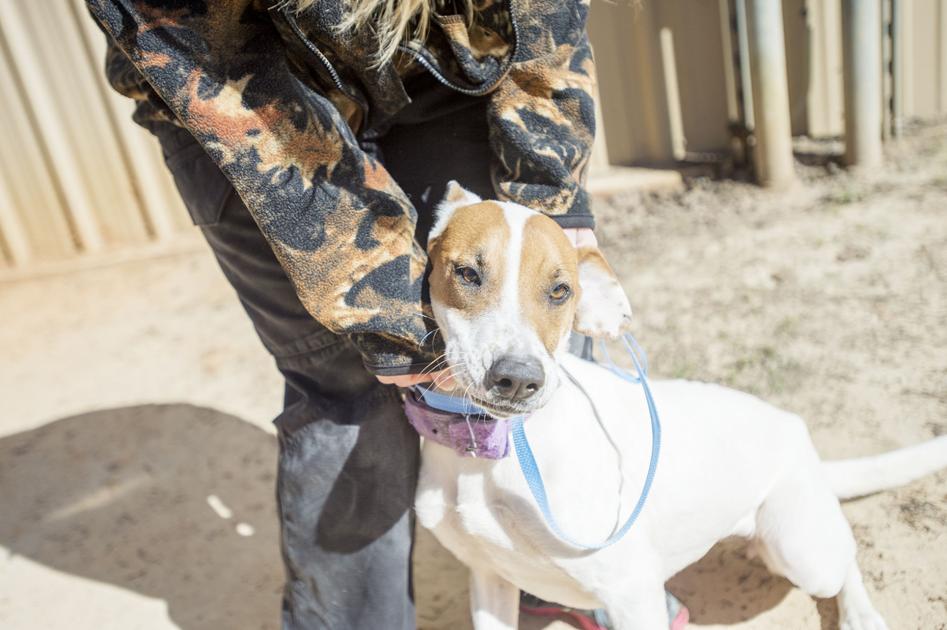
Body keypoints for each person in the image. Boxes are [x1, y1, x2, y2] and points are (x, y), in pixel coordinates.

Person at [87, 0, 604, 627]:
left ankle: (572, 568)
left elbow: (543, 17)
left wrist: (551, 193)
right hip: (233, 96)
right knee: (349, 379)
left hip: (437, 69)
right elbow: (219, 66)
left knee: (527, 298)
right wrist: (379, 307)